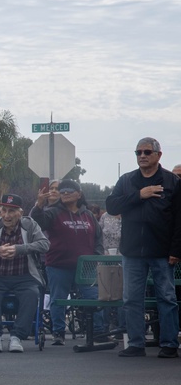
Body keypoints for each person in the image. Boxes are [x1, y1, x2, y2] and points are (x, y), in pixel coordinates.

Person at [106, 138, 181, 358]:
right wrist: (140, 195)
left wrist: (176, 250)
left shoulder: (172, 181)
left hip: (161, 251)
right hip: (132, 251)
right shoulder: (127, 180)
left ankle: (168, 344)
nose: (142, 156)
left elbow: (179, 219)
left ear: (159, 155)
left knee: (166, 298)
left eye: (147, 151)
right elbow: (111, 206)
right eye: (138, 152)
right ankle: (136, 344)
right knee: (131, 298)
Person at [30, 178, 104, 345]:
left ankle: (98, 332)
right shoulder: (52, 212)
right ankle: (58, 333)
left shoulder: (89, 215)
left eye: (69, 191)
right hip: (58, 265)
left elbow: (98, 238)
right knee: (58, 299)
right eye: (62, 192)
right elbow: (37, 222)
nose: (64, 194)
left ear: (79, 194)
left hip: (86, 267)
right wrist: (39, 205)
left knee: (95, 298)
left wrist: (97, 257)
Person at [0, 194, 50, 353]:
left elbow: (44, 244)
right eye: (4, 211)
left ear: (20, 213)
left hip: (24, 277)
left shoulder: (30, 225)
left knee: (32, 294)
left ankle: (17, 336)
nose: (7, 215)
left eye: (11, 211)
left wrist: (19, 249)